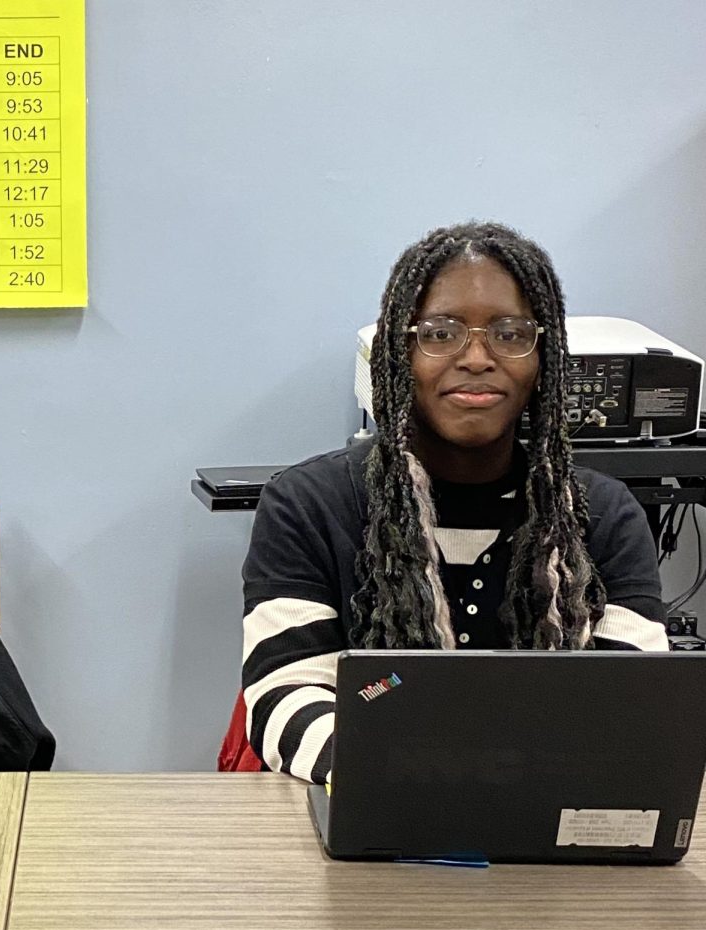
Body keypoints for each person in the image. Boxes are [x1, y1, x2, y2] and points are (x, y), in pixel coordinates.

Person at [241, 221, 667, 783]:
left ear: (543, 362)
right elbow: (285, 697)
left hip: (543, 832)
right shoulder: (308, 505)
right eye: (440, 334)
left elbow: (635, 710)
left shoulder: (602, 515)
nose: (476, 357)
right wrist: (429, 781)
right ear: (399, 355)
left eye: (511, 334)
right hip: (368, 818)